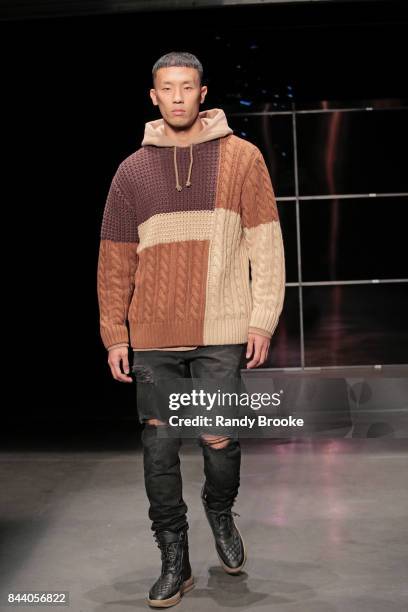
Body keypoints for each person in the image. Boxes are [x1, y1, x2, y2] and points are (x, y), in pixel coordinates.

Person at [97, 51, 286, 608]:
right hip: (152, 332)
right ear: (153, 96)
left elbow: (266, 243)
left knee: (219, 439)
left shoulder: (242, 158)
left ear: (203, 94)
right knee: (159, 447)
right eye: (167, 88)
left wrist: (261, 318)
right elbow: (114, 259)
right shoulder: (131, 171)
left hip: (222, 326)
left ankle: (221, 511)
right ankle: (173, 557)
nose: (177, 96)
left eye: (187, 87)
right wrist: (114, 332)